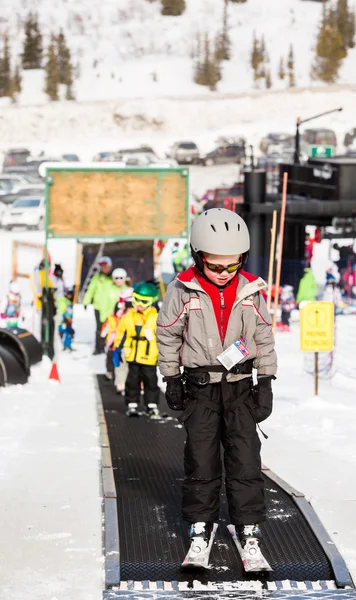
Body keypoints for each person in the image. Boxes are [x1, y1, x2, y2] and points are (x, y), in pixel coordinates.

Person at [156, 208, 277, 565]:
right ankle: (200, 526)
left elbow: (264, 337)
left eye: (232, 265)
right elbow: (167, 334)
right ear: (198, 257)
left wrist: (266, 380)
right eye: (215, 266)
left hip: (240, 386)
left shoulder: (251, 291)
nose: (224, 274)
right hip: (201, 389)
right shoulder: (183, 290)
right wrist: (172, 377)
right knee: (202, 460)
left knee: (245, 460)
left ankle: (249, 529)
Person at [114, 282, 160, 418]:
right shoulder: (129, 316)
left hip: (149, 356)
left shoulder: (156, 317)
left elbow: (164, 337)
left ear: (151, 301)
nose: (139, 303)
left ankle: (151, 404)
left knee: (150, 380)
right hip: (132, 354)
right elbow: (121, 332)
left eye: (144, 301)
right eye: (136, 299)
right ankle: (132, 403)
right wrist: (118, 348)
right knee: (132, 380)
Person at [101, 287, 132, 391]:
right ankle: (120, 384)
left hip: (133, 345)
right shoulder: (119, 315)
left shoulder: (134, 315)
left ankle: (132, 384)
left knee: (132, 367)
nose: (121, 304)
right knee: (119, 365)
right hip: (119, 343)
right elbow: (116, 329)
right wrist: (113, 342)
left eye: (122, 301)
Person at [83, 256, 114, 355]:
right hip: (99, 307)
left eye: (106, 266)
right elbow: (91, 290)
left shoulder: (114, 278)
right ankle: (98, 347)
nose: (104, 268)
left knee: (111, 328)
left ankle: (108, 346)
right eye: (102, 267)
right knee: (99, 328)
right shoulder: (97, 278)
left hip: (111, 308)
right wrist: (86, 301)